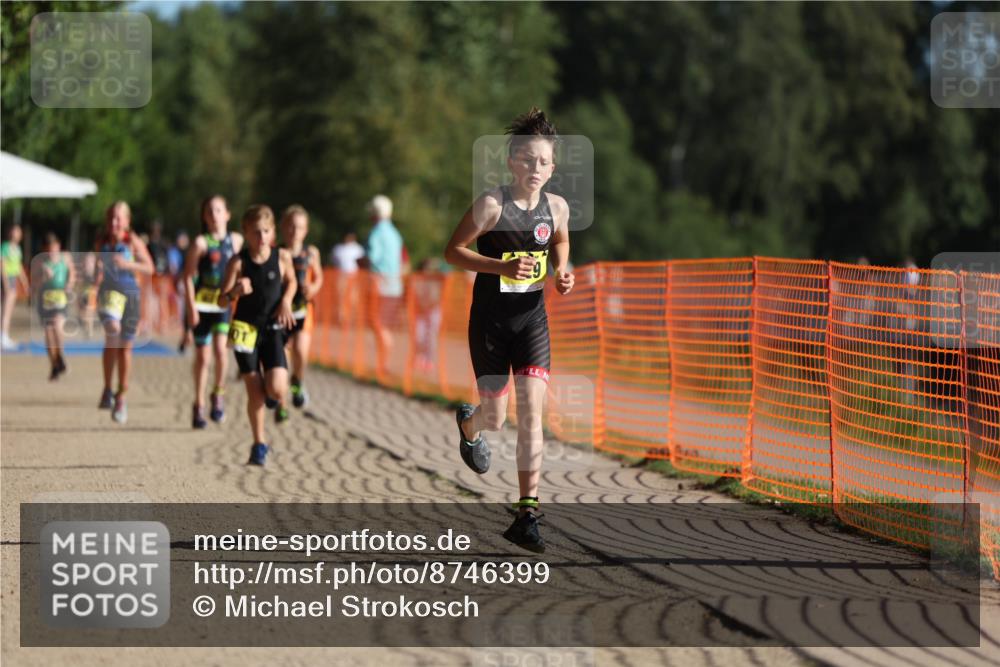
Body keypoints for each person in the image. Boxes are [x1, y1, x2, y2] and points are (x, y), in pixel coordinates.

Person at [443, 107, 574, 553]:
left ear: (552, 167)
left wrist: (563, 270)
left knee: (532, 417)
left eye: (544, 162)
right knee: (496, 418)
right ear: (512, 161)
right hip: (491, 322)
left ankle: (527, 514)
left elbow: (559, 240)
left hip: (532, 319)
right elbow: (453, 251)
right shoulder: (491, 205)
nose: (536, 169)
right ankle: (470, 424)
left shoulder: (556, 206)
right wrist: (499, 264)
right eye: (528, 160)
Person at [218, 204, 296, 465]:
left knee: (276, 388)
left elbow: (292, 282)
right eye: (255, 232)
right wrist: (235, 292)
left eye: (265, 231)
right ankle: (259, 444)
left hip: (273, 327)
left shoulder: (282, 257)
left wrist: (286, 301)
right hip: (245, 330)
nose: (261, 237)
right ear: (245, 233)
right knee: (256, 394)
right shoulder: (238, 262)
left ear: (273, 232)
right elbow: (221, 300)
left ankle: (275, 397)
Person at [183, 195, 244, 428]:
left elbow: (243, 268)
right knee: (203, 358)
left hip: (222, 305)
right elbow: (187, 277)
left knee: (221, 351)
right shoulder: (200, 243)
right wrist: (190, 308)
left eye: (218, 210)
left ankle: (218, 393)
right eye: (209, 211)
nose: (214, 215)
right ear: (204, 218)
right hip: (202, 307)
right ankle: (198, 404)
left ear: (227, 214)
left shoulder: (236, 241)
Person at [95, 201, 155, 424]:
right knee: (112, 331)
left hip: (130, 296)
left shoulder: (133, 242)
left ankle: (121, 395)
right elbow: (97, 269)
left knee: (125, 349)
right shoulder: (101, 240)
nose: (114, 222)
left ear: (127, 221)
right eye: (111, 217)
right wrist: (96, 275)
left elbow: (150, 267)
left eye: (119, 218)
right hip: (109, 294)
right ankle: (107, 387)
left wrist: (128, 265)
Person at [280, 205, 323, 412]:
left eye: (299, 227)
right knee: (282, 355)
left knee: (300, 351)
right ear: (282, 227)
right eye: (290, 226)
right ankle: (280, 398)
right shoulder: (277, 253)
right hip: (281, 311)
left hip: (304, 310)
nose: (294, 231)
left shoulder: (312, 253)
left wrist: (313, 287)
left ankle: (297, 381)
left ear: (305, 230)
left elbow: (319, 277)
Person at [364, 195, 404, 381]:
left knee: (378, 324)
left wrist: (361, 261)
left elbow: (372, 258)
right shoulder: (395, 233)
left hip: (379, 286)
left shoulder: (376, 233)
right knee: (384, 325)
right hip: (394, 286)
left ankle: (383, 364)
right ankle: (384, 364)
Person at [32, 232, 76, 379]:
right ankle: (54, 364)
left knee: (57, 325)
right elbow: (35, 284)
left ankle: (60, 356)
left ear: (58, 246)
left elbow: (72, 273)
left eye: (54, 248)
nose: (52, 252)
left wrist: (69, 285)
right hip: (45, 300)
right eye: (48, 249)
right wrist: (43, 277)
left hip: (60, 298)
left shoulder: (65, 257)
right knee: (48, 332)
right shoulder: (40, 262)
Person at [1, 223, 29, 350]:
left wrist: (24, 282)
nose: (17, 234)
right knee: (6, 309)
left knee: (9, 309)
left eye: (19, 232)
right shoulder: (5, 247)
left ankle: (4, 335)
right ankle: (3, 336)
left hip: (13, 279)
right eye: (15, 231)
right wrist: (6, 282)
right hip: (6, 279)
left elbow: (18, 267)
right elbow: (2, 265)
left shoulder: (18, 249)